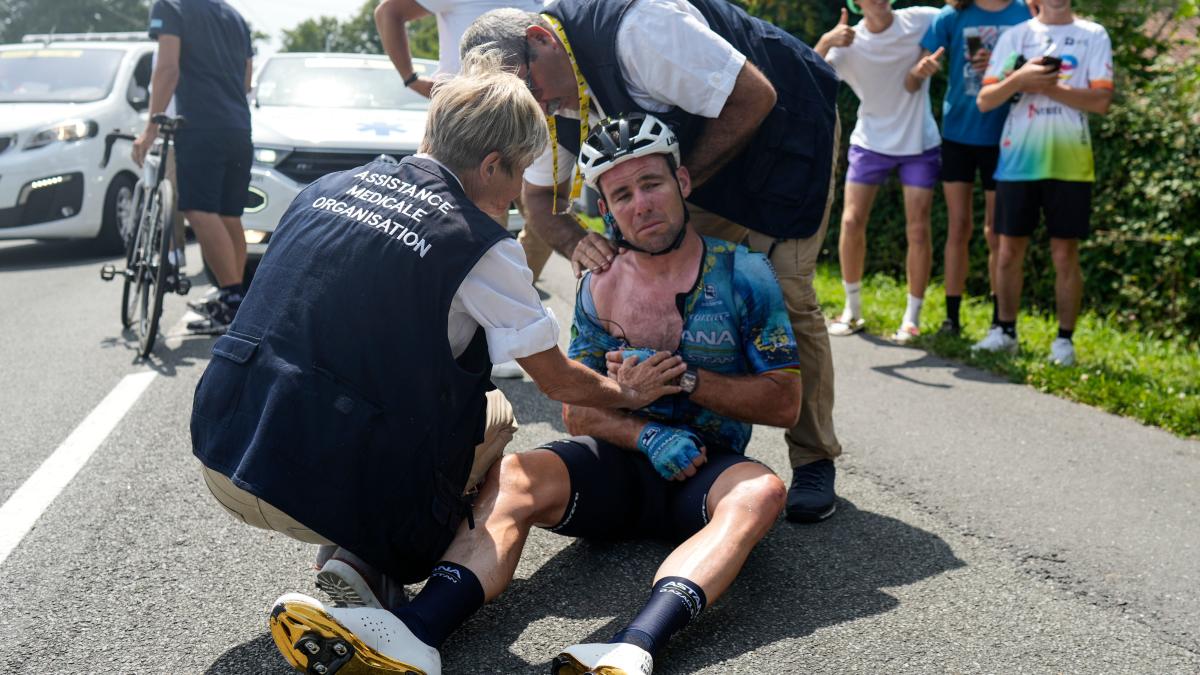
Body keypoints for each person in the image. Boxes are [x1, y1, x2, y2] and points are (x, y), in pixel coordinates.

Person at [190, 54, 688, 675]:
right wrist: (628, 394)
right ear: (490, 166)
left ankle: (356, 558)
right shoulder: (478, 244)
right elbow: (557, 379)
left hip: (223, 452)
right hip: (307, 487)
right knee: (496, 414)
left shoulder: (328, 187)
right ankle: (378, 551)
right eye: (515, 181)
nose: (514, 198)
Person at [268, 113, 799, 675]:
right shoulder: (601, 282)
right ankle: (414, 633)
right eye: (622, 195)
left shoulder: (745, 274)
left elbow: (783, 402)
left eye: (652, 184)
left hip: (708, 470)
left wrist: (684, 378)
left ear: (683, 182)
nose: (641, 204)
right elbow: (576, 412)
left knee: (762, 491)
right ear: (606, 209)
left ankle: (633, 648)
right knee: (514, 474)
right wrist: (647, 431)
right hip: (619, 466)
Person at [459, 0, 844, 524]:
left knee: (789, 294)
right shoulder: (554, 89)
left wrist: (676, 199)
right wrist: (577, 241)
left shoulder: (640, 30)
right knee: (666, 279)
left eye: (532, 90)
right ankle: (673, 427)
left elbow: (755, 96)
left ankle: (815, 456)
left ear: (540, 39)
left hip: (785, 132)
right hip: (694, 159)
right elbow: (539, 203)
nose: (537, 105)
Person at [376, 0, 554, 380]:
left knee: (504, 231)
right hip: (470, 129)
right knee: (472, 236)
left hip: (517, 124)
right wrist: (410, 78)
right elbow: (388, 12)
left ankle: (503, 331)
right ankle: (485, 336)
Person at [971, 0, 1112, 365]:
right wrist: (1020, 80)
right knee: (1007, 251)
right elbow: (985, 99)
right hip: (1018, 159)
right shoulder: (1016, 36)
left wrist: (1047, 88)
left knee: (1065, 253)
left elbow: (1101, 100)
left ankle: (1064, 342)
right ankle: (1004, 331)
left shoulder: (1093, 34)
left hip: (1070, 161)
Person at [815, 0, 941, 343]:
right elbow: (808, 75)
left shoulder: (921, 19)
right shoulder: (848, 42)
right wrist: (826, 41)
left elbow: (959, 19)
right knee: (852, 221)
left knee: (918, 227)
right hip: (870, 143)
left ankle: (912, 319)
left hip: (919, 143)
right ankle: (852, 310)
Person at [133, 0, 254, 333]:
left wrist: (150, 128)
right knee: (230, 215)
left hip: (201, 125)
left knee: (199, 211)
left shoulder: (171, 6)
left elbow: (168, 68)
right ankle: (236, 298)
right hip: (239, 126)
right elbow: (246, 75)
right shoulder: (233, 14)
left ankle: (229, 302)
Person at [919, 0, 1030, 336]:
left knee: (996, 232)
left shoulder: (1024, 12)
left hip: (1004, 135)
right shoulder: (952, 15)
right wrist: (923, 67)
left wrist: (1002, 68)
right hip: (958, 134)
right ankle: (952, 319)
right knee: (958, 226)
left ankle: (1000, 322)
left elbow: (1034, 64)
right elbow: (919, 62)